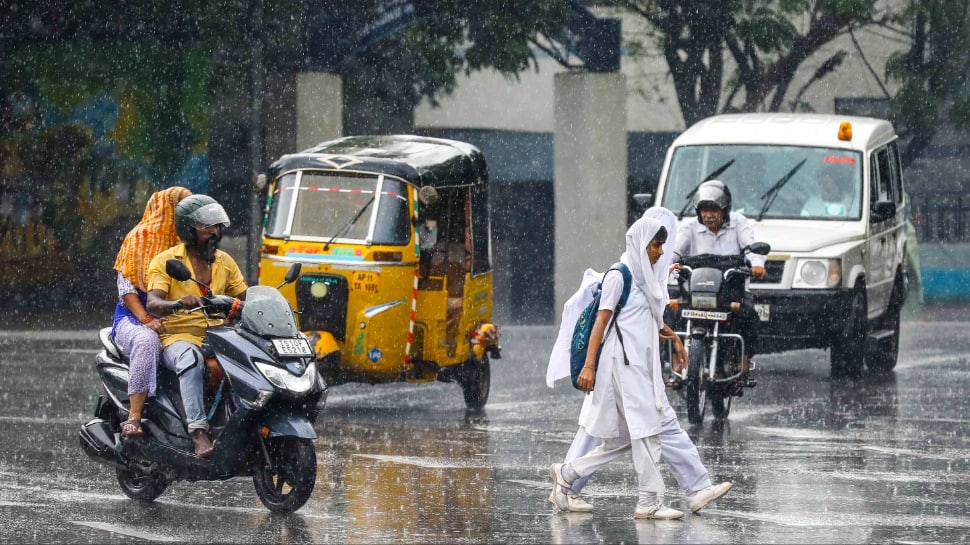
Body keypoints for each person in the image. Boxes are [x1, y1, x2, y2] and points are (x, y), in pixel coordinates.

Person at [546, 208, 732, 515]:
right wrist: (589, 366)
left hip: (642, 368)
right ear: (640, 242)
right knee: (645, 433)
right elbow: (601, 324)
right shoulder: (620, 276)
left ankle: (568, 475)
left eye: (662, 245)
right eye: (656, 245)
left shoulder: (646, 277)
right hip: (622, 368)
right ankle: (650, 501)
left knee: (629, 436)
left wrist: (673, 339)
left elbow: (645, 320)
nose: (660, 252)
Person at [145, 194, 247, 458]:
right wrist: (178, 304)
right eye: (206, 227)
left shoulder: (225, 261)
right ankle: (198, 431)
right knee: (191, 360)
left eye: (217, 226)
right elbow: (153, 303)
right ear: (189, 231)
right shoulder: (166, 262)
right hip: (178, 337)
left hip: (218, 335)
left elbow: (245, 297)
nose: (214, 232)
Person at [111, 186, 192, 437]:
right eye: (184, 210)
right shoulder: (138, 238)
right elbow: (126, 289)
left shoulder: (187, 243)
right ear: (170, 210)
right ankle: (135, 415)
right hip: (134, 317)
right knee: (148, 342)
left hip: (176, 315)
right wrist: (146, 319)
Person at [674, 180, 766, 370]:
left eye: (714, 210)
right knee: (669, 310)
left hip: (730, 291)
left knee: (748, 313)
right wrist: (663, 269)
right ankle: (676, 357)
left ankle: (743, 360)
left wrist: (757, 265)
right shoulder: (688, 228)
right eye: (704, 210)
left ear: (725, 210)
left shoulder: (739, 223)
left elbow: (751, 248)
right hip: (696, 291)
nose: (708, 215)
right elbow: (673, 253)